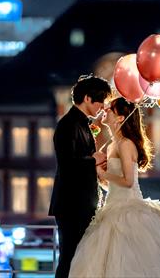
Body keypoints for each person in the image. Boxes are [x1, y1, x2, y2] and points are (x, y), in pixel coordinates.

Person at [69, 96, 160, 278]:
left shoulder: (126, 144)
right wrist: (101, 178)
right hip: (113, 206)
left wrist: (102, 173)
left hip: (128, 209)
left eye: (110, 109)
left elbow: (128, 182)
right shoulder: (113, 145)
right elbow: (115, 186)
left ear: (120, 118)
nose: (105, 110)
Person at [48, 75, 110, 278]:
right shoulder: (68, 124)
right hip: (72, 204)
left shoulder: (82, 124)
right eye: (100, 100)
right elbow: (67, 163)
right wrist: (94, 159)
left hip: (82, 203)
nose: (102, 106)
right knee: (69, 257)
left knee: (80, 257)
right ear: (87, 98)